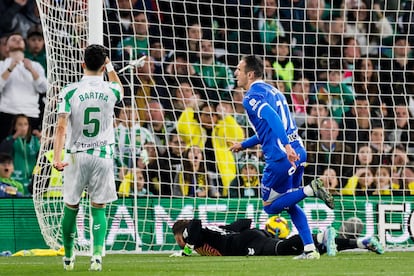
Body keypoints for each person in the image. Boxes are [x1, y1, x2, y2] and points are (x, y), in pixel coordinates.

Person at [230, 55, 333, 259]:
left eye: (239, 70)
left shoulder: (250, 97)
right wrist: (244, 144)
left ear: (250, 74)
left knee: (270, 207)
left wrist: (285, 147)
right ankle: (310, 249)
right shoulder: (275, 91)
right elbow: (268, 130)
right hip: (299, 152)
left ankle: (310, 189)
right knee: (290, 202)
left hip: (281, 157)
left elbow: (271, 117)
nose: (235, 73)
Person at [52, 44, 123, 271]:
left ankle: (69, 257)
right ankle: (96, 257)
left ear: (82, 64)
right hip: (102, 156)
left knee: (71, 206)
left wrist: (57, 157)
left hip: (76, 156)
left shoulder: (69, 91)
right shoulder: (111, 90)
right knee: (98, 207)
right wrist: (110, 66)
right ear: (103, 66)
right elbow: (119, 86)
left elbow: (61, 127)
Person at [170, 218, 384, 257]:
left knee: (281, 248)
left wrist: (186, 247)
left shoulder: (194, 234)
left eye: (179, 238)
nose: (180, 243)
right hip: (245, 238)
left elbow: (196, 223)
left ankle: (321, 234)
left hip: (245, 244)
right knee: (300, 250)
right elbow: (245, 222)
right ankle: (359, 242)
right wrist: (229, 229)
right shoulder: (211, 231)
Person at [0, 32, 47, 142]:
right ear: (6, 47)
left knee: (31, 153)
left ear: (24, 45)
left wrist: (31, 70)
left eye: (20, 39)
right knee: (5, 154)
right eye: (13, 39)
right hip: (7, 113)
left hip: (31, 114)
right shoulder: (2, 65)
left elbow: (44, 88)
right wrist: (10, 68)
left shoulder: (35, 66)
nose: (17, 40)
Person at [0, 113, 40, 195]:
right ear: (15, 126)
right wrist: (15, 136)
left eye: (25, 124)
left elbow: (42, 157)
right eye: (20, 124)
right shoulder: (10, 140)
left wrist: (43, 142)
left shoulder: (35, 141)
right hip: (15, 179)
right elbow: (3, 152)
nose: (23, 127)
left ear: (28, 126)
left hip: (31, 181)